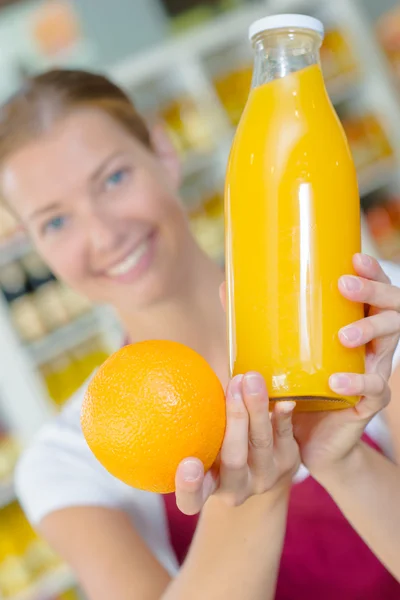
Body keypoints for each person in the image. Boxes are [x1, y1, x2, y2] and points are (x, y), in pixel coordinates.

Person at [0, 69, 399, 599]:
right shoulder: (68, 457)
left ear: (163, 153)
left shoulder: (368, 314)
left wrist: (343, 460)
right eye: (55, 222)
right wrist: (253, 495)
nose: (102, 233)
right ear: (33, 245)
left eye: (114, 179)